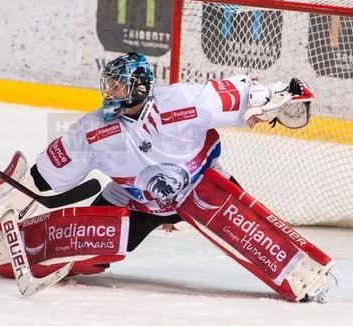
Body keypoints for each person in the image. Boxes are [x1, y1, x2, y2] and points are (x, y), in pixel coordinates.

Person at [30, 52, 313, 252]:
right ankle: (30, 247)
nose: (110, 92)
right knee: (89, 248)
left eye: (119, 85)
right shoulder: (93, 128)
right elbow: (43, 179)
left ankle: (299, 265)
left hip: (202, 187)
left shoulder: (183, 101)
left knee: (256, 238)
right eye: (110, 85)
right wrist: (26, 184)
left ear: (139, 87)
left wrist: (279, 94)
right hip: (137, 203)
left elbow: (242, 94)